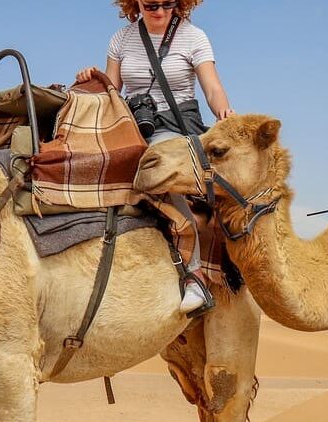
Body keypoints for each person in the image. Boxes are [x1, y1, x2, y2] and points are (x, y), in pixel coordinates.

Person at [76, 0, 235, 315]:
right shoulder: (121, 39)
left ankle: (195, 275)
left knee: (157, 169)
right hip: (134, 123)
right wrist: (91, 78)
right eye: (151, 5)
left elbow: (212, 87)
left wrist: (224, 113)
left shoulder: (194, 37)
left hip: (175, 128)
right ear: (135, 3)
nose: (160, 11)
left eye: (167, 4)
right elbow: (112, 90)